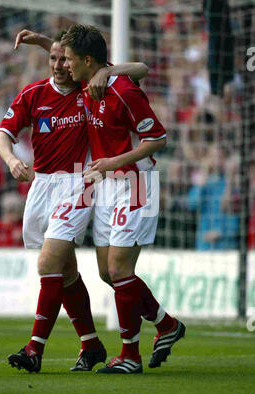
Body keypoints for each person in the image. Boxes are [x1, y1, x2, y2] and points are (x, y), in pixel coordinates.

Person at [0, 30, 150, 373]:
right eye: (53, 58)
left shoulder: (89, 86)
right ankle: (92, 343)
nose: (59, 64)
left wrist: (107, 71)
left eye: (64, 58)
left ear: (78, 62)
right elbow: (3, 136)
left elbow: (140, 68)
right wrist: (10, 160)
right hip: (41, 186)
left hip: (81, 182)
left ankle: (34, 349)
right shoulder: (33, 93)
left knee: (50, 264)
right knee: (64, 271)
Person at [60, 24, 186, 374]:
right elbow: (138, 65)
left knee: (119, 269)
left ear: (88, 60)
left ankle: (130, 354)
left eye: (70, 59)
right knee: (107, 272)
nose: (65, 66)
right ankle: (167, 325)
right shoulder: (87, 82)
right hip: (105, 185)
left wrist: (113, 161)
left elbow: (158, 138)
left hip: (136, 182)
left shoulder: (123, 90)